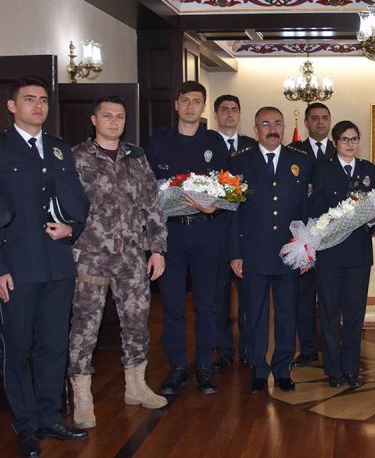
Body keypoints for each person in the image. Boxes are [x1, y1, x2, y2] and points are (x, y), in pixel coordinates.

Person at [0, 76, 90, 457]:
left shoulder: (58, 150)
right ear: (11, 106)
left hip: (57, 264)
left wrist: (73, 228)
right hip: (17, 265)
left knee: (55, 346)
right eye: (29, 99)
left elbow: (78, 202)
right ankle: (25, 424)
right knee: (18, 348)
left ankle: (49, 415)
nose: (38, 105)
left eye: (43, 100)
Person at [68, 96, 168, 428]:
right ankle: (82, 397)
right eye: (107, 116)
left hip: (131, 257)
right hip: (92, 257)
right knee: (85, 329)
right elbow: (63, 205)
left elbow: (152, 204)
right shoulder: (78, 158)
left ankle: (136, 386)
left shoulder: (135, 157)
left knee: (137, 322)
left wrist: (157, 248)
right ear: (94, 120)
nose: (114, 121)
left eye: (120, 117)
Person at [145, 81, 230, 397]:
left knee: (207, 304)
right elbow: (146, 189)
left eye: (197, 101)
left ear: (203, 106)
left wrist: (216, 204)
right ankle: (178, 365)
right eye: (186, 101)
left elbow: (229, 186)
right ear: (177, 105)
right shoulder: (158, 142)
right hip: (170, 234)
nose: (191, 106)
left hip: (206, 231)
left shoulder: (214, 143)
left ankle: (204, 365)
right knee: (172, 306)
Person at [230, 106, 312, 393]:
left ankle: (282, 369)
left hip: (288, 252)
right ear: (256, 129)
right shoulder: (240, 162)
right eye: (265, 123)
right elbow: (233, 212)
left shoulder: (300, 161)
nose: (272, 128)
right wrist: (235, 253)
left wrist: (305, 248)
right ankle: (258, 369)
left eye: (277, 123)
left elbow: (305, 209)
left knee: (287, 313)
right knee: (255, 315)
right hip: (253, 252)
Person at [309, 120, 375, 388]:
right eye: (345, 140)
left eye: (354, 139)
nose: (350, 144)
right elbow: (313, 207)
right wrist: (334, 219)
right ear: (335, 143)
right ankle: (333, 370)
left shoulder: (367, 169)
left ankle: (351, 369)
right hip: (330, 251)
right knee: (328, 312)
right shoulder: (323, 169)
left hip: (359, 253)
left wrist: (371, 219)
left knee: (354, 313)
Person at [210, 94, 258, 370]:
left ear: (240, 114)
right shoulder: (207, 144)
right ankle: (224, 349)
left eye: (234, 110)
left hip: (246, 233)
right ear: (216, 114)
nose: (229, 114)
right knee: (218, 296)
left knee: (249, 298)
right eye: (224, 110)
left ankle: (249, 347)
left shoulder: (252, 147)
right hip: (216, 231)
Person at [288, 102, 335, 368]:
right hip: (304, 236)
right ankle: (307, 348)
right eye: (314, 118)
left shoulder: (338, 149)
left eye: (324, 118)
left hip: (333, 237)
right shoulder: (294, 151)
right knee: (304, 296)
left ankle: (331, 346)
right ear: (306, 123)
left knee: (331, 297)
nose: (320, 122)